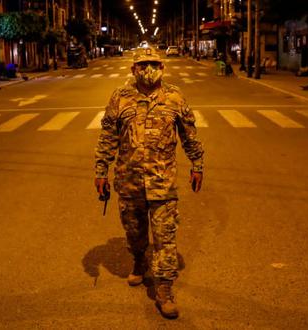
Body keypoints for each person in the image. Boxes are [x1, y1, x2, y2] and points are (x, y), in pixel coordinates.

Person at [94, 47, 204, 319]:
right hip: (128, 181)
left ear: (162, 67)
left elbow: (189, 134)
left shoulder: (174, 97)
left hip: (163, 183)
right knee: (134, 231)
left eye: (153, 63)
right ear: (133, 70)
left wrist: (197, 164)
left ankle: (164, 288)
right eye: (142, 65)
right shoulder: (120, 98)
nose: (148, 69)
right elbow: (108, 135)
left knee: (165, 237)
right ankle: (138, 260)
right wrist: (101, 170)